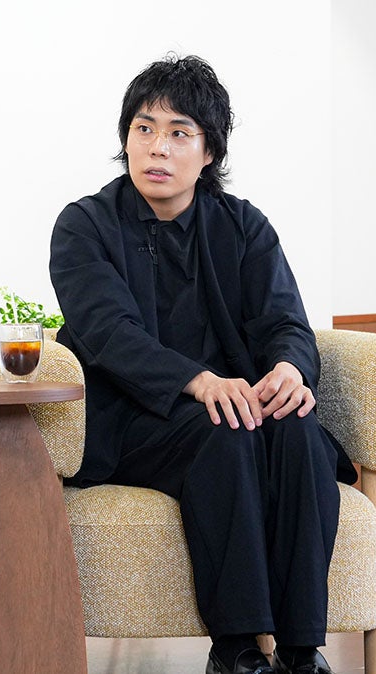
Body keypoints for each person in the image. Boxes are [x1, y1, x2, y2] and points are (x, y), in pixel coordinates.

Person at [49, 55, 354, 674]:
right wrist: (198, 381)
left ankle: (301, 648)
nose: (157, 147)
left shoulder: (243, 226)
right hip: (134, 418)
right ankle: (236, 647)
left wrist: (290, 370)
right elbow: (109, 334)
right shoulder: (84, 226)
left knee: (298, 429)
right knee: (226, 429)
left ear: (209, 151)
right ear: (126, 138)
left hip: (235, 406)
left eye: (178, 132)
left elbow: (285, 321)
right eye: (144, 128)